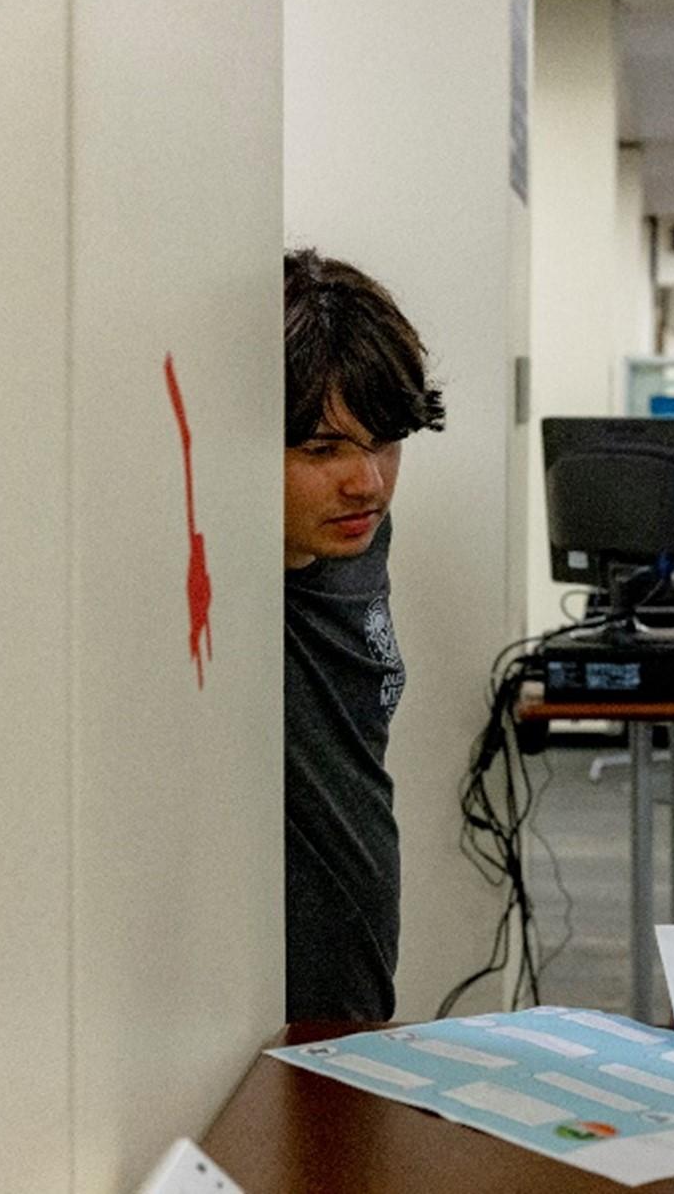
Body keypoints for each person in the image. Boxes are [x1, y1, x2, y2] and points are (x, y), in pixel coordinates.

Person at [282, 247, 444, 1022]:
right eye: (321, 449)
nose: (367, 481)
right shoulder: (224, 595)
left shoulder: (354, 533)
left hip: (361, 964)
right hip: (269, 992)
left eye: (382, 441)